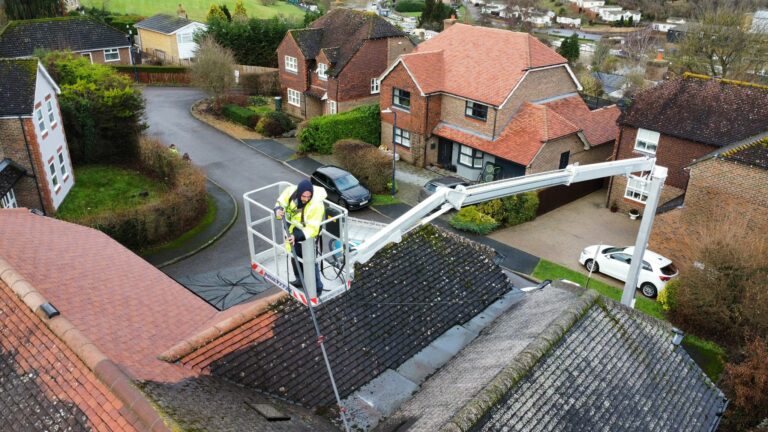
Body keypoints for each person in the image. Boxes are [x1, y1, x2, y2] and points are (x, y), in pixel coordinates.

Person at [274, 179, 327, 294]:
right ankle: (300, 279)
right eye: (304, 196)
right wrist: (278, 210)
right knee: (295, 255)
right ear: (299, 193)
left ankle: (317, 289)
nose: (306, 199)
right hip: (292, 229)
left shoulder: (316, 206)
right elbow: (280, 202)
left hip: (306, 234)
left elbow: (313, 228)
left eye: (309, 197)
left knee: (310, 261)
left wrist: (296, 236)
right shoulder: (290, 192)